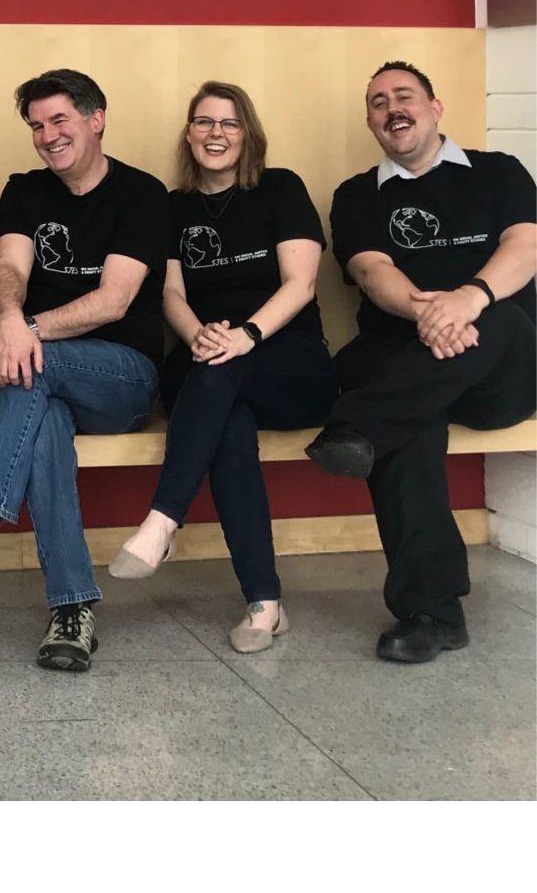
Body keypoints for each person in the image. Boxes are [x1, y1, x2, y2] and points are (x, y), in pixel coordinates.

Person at [0, 68, 169, 672]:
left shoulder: (143, 194)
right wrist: (12, 316)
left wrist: (28, 331)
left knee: (28, 367)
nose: (47, 135)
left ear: (97, 119)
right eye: (37, 126)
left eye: (60, 120)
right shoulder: (25, 189)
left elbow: (114, 300)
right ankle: (73, 612)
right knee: (42, 424)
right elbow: (9, 269)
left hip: (125, 376)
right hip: (44, 370)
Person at [305, 60, 536, 663]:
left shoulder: (498, 172)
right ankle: (432, 614)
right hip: (407, 359)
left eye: (404, 95)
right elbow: (372, 272)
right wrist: (429, 316)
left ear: (436, 108)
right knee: (406, 412)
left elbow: (525, 246)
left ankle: (356, 425)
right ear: (371, 122)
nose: (392, 108)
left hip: (497, 368)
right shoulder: (358, 194)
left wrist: (469, 301)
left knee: (508, 319)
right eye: (378, 102)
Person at [107, 81, 334, 654]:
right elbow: (171, 294)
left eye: (229, 123)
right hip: (207, 356)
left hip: (287, 358)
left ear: (247, 133)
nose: (215, 133)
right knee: (226, 420)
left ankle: (162, 521)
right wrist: (201, 335)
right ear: (189, 133)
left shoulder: (280, 188)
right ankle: (264, 605)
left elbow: (300, 283)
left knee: (218, 380)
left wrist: (246, 335)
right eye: (204, 122)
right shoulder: (174, 207)